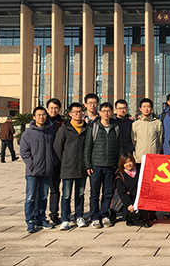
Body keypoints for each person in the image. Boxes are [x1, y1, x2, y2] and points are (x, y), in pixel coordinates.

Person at [84, 102, 122, 229]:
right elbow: (87, 148)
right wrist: (88, 165)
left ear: (112, 112)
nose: (106, 113)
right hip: (96, 166)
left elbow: (119, 147)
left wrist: (118, 164)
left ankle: (105, 215)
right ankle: (94, 217)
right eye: (104, 111)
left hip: (111, 166)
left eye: (108, 111)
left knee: (108, 193)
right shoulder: (93, 127)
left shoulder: (115, 127)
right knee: (94, 194)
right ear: (99, 112)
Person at [20, 106, 57, 233]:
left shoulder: (50, 132)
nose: (41, 117)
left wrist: (53, 162)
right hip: (33, 171)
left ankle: (41, 218)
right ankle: (30, 220)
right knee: (31, 197)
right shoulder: (27, 134)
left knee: (43, 197)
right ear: (34, 117)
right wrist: (31, 164)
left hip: (47, 170)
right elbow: (24, 152)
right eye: (39, 115)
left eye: (43, 115)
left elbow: (55, 149)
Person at [53, 102, 89, 230]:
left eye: (80, 112)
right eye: (75, 112)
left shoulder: (87, 128)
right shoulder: (64, 129)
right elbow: (57, 147)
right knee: (66, 195)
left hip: (82, 168)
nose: (78, 114)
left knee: (80, 194)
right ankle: (65, 219)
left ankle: (79, 216)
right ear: (70, 114)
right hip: (68, 167)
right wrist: (65, 160)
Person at [111, 153, 151, 228]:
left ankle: (145, 218)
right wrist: (128, 204)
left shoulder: (140, 170)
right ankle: (130, 219)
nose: (128, 164)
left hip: (140, 198)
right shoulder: (120, 176)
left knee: (143, 210)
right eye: (125, 163)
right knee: (131, 213)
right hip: (129, 200)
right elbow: (122, 193)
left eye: (130, 161)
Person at [46, 98, 64, 225]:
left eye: (56, 108)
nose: (54, 110)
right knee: (40, 191)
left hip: (57, 162)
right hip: (43, 162)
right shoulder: (42, 121)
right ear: (47, 109)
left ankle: (54, 214)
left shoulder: (63, 123)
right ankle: (38, 215)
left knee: (55, 190)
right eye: (51, 108)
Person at [131, 98, 164, 163]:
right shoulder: (135, 124)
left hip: (153, 158)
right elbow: (134, 141)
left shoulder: (157, 123)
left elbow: (160, 140)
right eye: (144, 107)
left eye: (148, 107)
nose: (146, 109)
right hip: (140, 159)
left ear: (151, 108)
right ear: (140, 109)